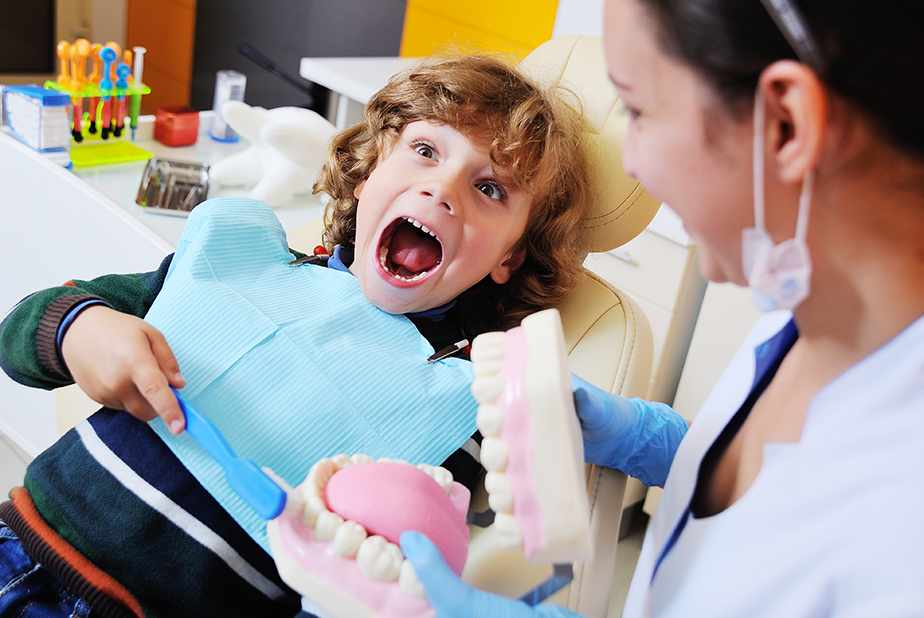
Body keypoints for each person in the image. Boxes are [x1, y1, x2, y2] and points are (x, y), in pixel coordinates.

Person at [0, 53, 593, 618]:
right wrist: (82, 329)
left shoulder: (466, 404)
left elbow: (376, 588)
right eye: (423, 150)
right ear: (368, 175)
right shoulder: (235, 258)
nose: (443, 189)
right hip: (15, 543)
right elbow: (22, 331)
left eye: (490, 188)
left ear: (509, 258)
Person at [398, 0, 924, 616]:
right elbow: (772, 488)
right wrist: (646, 439)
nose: (630, 164)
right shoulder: (808, 308)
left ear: (785, 125)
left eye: (640, 111)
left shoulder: (903, 526)